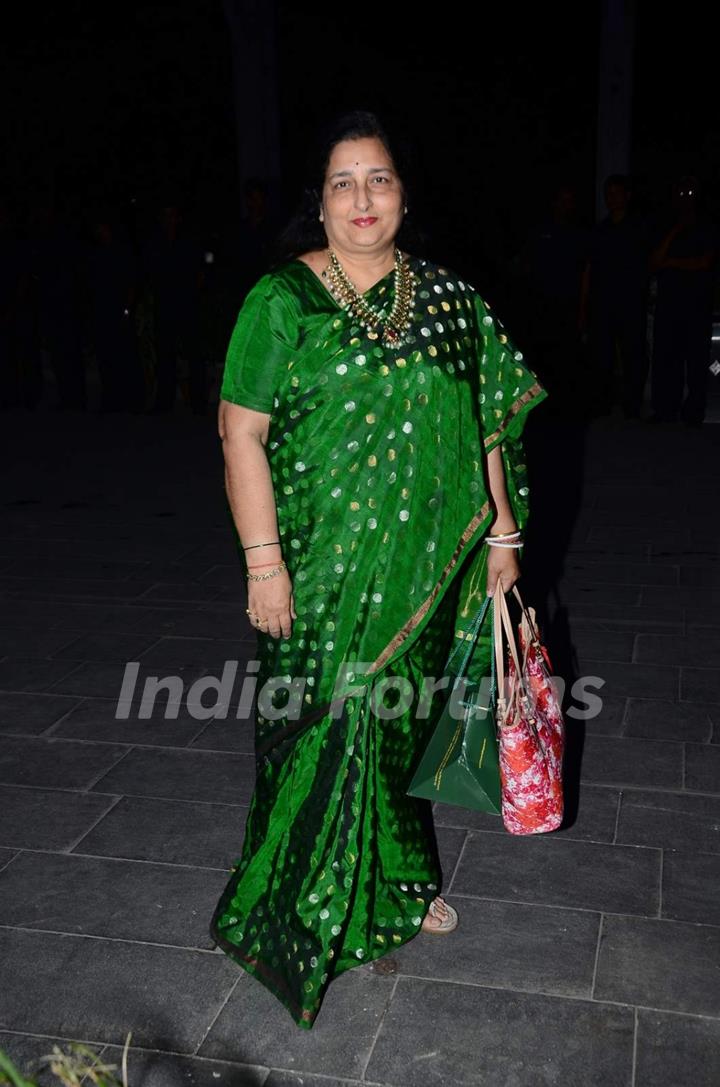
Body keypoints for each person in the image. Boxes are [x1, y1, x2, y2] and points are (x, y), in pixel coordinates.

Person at [209, 110, 547, 1029]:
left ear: (404, 194)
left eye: (380, 179)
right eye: (343, 182)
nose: (363, 198)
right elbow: (242, 431)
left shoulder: (450, 299)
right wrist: (264, 563)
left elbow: (486, 425)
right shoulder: (281, 300)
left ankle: (399, 886)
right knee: (320, 729)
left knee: (396, 737)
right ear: (318, 204)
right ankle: (290, 903)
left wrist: (504, 536)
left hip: (428, 567)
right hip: (316, 568)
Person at [648, 175, 719, 426]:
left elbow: (704, 262)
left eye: (690, 193)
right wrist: (674, 233)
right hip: (669, 305)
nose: (685, 198)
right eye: (681, 193)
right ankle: (666, 410)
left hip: (697, 306)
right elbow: (654, 261)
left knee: (697, 362)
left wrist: (672, 263)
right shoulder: (665, 224)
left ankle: (694, 412)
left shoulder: (708, 225)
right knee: (667, 360)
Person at [580, 174, 651, 418]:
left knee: (634, 355)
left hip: (631, 304)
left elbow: (649, 265)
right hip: (604, 305)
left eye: (616, 193)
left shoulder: (639, 227)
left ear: (627, 196)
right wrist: (584, 305)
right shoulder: (600, 230)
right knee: (602, 358)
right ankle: (602, 405)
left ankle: (632, 406)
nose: (612, 198)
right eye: (608, 194)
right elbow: (589, 269)